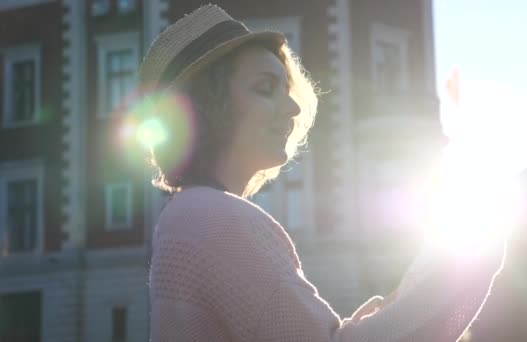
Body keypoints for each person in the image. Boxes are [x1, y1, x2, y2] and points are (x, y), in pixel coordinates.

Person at [140, 4, 505, 341]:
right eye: (265, 89)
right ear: (208, 105)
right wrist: (474, 252)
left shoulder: (189, 213)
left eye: (286, 89)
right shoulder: (216, 218)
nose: (292, 108)